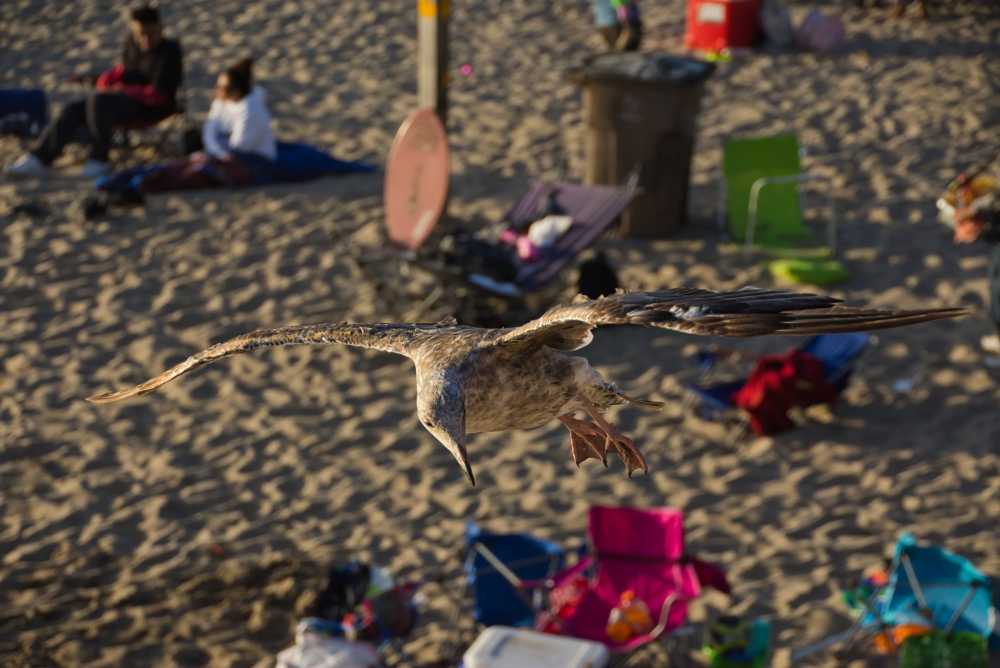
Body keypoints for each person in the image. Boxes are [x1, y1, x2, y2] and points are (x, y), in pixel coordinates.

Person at [5, 4, 183, 178]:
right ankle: (39, 158)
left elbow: (159, 95)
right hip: (123, 100)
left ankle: (99, 159)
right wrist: (104, 80)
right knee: (73, 108)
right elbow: (126, 71)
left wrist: (123, 90)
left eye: (150, 34)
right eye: (140, 34)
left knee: (100, 102)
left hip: (153, 107)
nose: (145, 39)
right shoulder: (133, 44)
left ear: (160, 28)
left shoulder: (170, 52)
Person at [201, 57, 276, 165]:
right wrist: (217, 151)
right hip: (225, 150)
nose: (218, 91)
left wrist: (219, 151)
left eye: (223, 88)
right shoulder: (220, 103)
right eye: (218, 86)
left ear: (236, 90)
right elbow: (209, 132)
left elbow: (240, 146)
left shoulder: (250, 108)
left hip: (255, 158)